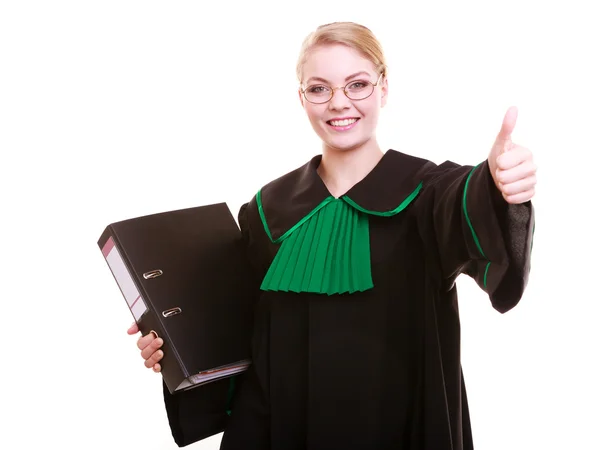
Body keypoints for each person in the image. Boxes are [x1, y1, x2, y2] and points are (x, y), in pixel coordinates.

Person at [127, 21, 536, 450]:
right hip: (277, 430)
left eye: (357, 84)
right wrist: (172, 349)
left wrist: (501, 186)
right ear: (301, 98)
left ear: (383, 88)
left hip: (394, 429)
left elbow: (474, 204)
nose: (339, 103)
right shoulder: (267, 210)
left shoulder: (429, 194)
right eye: (319, 88)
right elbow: (235, 333)